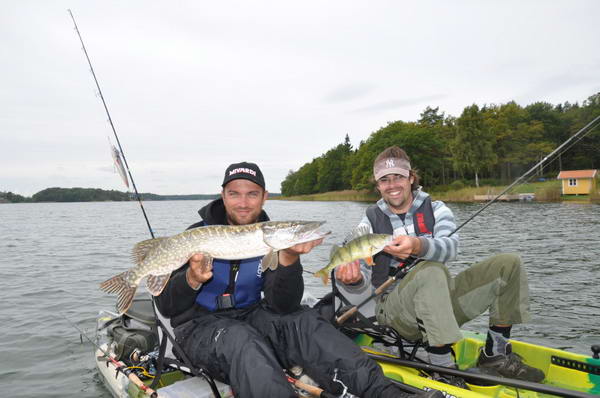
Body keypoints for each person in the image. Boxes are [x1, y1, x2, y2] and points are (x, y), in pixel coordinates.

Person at [156, 161, 440, 398]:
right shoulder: (195, 234)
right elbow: (168, 307)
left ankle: (384, 394)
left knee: (304, 321)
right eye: (235, 194)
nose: (243, 203)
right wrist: (192, 279)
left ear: (264, 196)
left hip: (253, 316)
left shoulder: (270, 237)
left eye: (252, 194)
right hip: (199, 328)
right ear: (223, 195)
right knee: (241, 339)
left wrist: (289, 259)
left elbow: (283, 305)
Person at [335, 146, 545, 386]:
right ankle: (442, 366)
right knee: (431, 270)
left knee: (509, 264)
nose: (392, 184)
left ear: (411, 178)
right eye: (384, 179)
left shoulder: (437, 209)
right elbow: (352, 257)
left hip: (438, 303)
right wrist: (353, 278)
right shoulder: (370, 219)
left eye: (398, 177)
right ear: (378, 185)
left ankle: (495, 353)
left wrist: (417, 245)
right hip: (394, 312)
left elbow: (450, 247)